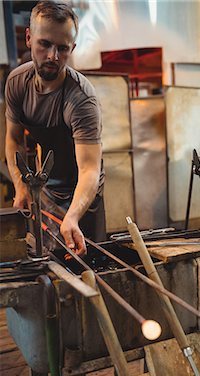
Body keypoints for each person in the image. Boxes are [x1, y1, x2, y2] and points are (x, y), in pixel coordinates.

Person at [5, 0, 106, 255]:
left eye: (62, 48)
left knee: (86, 266)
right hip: (47, 187)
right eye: (45, 44)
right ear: (29, 38)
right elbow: (13, 139)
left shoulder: (81, 99)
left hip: (82, 193)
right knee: (45, 261)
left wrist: (72, 217)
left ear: (72, 47)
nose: (53, 56)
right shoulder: (17, 84)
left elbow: (90, 169)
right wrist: (20, 186)